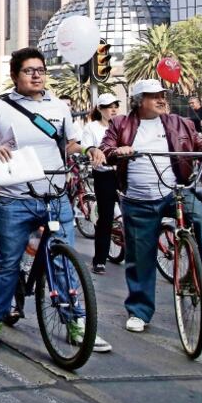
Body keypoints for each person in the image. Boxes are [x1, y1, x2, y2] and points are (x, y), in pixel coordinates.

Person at [0, 47, 111, 353]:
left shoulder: (59, 107)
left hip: (56, 197)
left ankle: (76, 322)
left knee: (63, 263)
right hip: (15, 199)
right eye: (29, 70)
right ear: (14, 75)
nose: (36, 75)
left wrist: (88, 151)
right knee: (8, 262)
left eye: (41, 70)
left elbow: (70, 143)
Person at [98, 79, 202, 333]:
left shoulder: (179, 122)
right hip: (138, 200)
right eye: (155, 96)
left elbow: (200, 144)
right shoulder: (121, 123)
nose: (162, 100)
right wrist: (118, 151)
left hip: (175, 192)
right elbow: (105, 148)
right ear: (140, 101)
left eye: (163, 95)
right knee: (140, 258)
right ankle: (139, 312)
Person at [79, 93, 121, 274]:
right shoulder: (92, 128)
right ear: (100, 109)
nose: (113, 109)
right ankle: (100, 260)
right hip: (104, 176)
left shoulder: (122, 124)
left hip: (125, 175)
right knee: (106, 217)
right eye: (108, 106)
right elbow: (87, 147)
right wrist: (94, 154)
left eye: (115, 105)